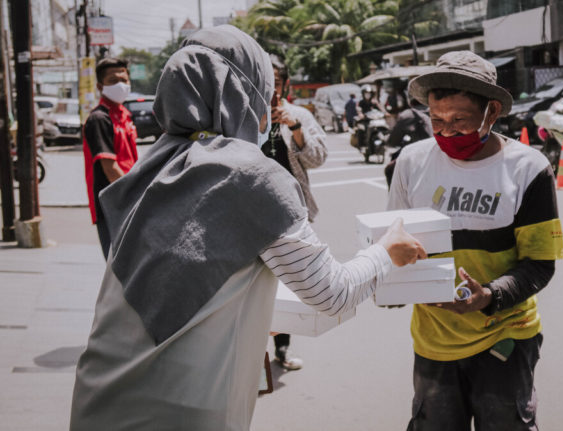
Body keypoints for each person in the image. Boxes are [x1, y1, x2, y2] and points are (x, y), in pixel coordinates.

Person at [69, 25, 426, 431]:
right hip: (180, 409)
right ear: (246, 95)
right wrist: (385, 251)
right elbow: (332, 293)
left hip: (98, 397)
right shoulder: (251, 175)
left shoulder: (155, 164)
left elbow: (183, 280)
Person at [388, 51, 563, 431]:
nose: (446, 132)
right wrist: (389, 284)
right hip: (433, 342)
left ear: (492, 111)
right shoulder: (411, 162)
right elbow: (393, 243)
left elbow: (540, 263)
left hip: (505, 337)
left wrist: (489, 296)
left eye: (459, 121)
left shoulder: (528, 169)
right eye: (436, 120)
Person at [263, 53, 328, 370]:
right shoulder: (243, 115)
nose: (270, 89)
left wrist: (296, 126)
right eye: (263, 81)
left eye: (275, 82)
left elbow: (317, 159)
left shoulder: (299, 114)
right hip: (252, 216)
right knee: (255, 287)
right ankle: (254, 359)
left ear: (285, 84)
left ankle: (283, 349)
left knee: (288, 285)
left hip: (293, 215)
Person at [82, 58, 138, 259]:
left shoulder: (123, 114)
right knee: (117, 267)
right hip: (112, 204)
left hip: (128, 199)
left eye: (124, 79)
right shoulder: (99, 119)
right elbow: (111, 169)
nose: (121, 85)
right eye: (113, 81)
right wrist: (136, 194)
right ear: (100, 86)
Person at [384, 99, 432, 187]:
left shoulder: (408, 114)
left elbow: (393, 141)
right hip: (443, 154)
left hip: (421, 158)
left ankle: (396, 200)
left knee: (390, 170)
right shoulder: (437, 110)